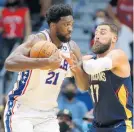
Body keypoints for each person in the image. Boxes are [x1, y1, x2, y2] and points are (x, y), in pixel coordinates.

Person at [4, 4, 89, 132]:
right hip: (22, 111)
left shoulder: (72, 48)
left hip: (48, 114)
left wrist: (77, 71)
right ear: (53, 25)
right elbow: (9, 63)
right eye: (66, 25)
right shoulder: (36, 40)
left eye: (72, 24)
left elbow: (84, 87)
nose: (70, 28)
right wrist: (45, 62)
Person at [82, 22, 133, 131]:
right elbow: (82, 87)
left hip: (120, 125)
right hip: (97, 125)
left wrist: (81, 61)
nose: (97, 36)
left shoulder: (119, 55)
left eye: (102, 32)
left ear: (114, 38)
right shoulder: (91, 60)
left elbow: (92, 68)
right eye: (96, 33)